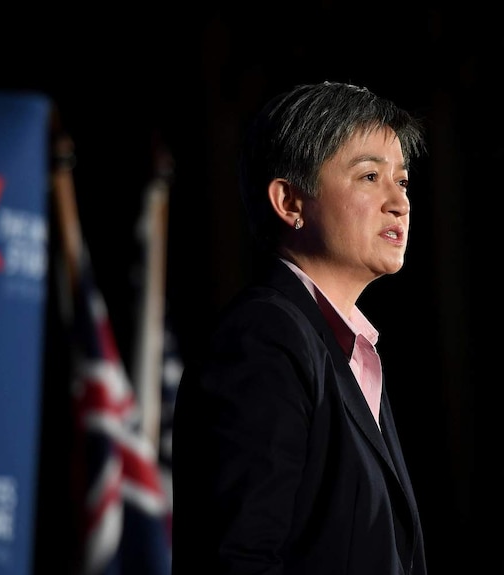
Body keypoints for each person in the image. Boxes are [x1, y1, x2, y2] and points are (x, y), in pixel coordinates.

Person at [170, 80, 428, 575]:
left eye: (403, 180)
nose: (399, 202)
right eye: (370, 176)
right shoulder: (264, 338)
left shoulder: (345, 347)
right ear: (290, 202)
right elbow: (240, 558)